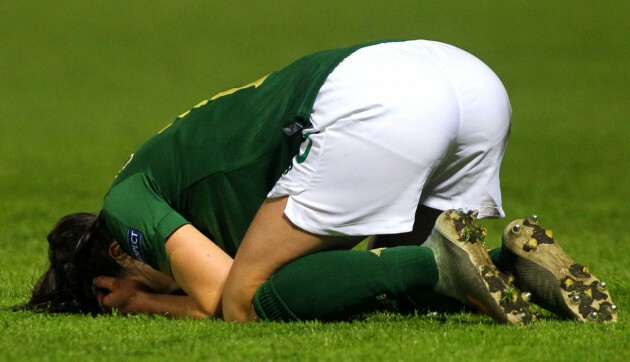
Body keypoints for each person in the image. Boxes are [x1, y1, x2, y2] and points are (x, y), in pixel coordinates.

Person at [14, 40, 616, 324]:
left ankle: (438, 263)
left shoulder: (125, 203)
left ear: (119, 251)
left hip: (377, 106)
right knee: (390, 287)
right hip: (463, 77)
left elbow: (222, 299)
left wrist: (144, 299)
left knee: (248, 302)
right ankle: (512, 267)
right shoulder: (171, 164)